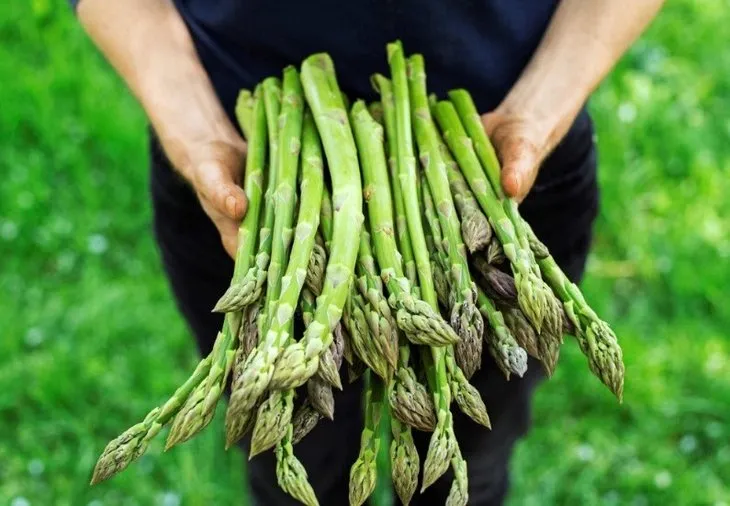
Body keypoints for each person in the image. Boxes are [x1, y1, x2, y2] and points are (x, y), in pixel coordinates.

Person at [71, 1, 664, 504]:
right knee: (293, 468)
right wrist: (191, 125)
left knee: (466, 466)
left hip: (493, 172)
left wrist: (539, 111)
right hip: (249, 177)